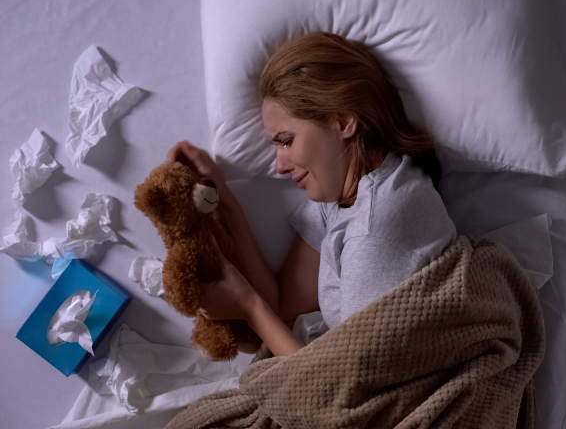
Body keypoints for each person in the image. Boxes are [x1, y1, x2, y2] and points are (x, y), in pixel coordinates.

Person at [165, 32, 456, 357]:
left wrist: (250, 309)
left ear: (343, 122)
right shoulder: (341, 197)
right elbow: (282, 308)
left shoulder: (374, 229)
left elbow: (348, 381)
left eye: (287, 141)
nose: (279, 166)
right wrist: (224, 198)